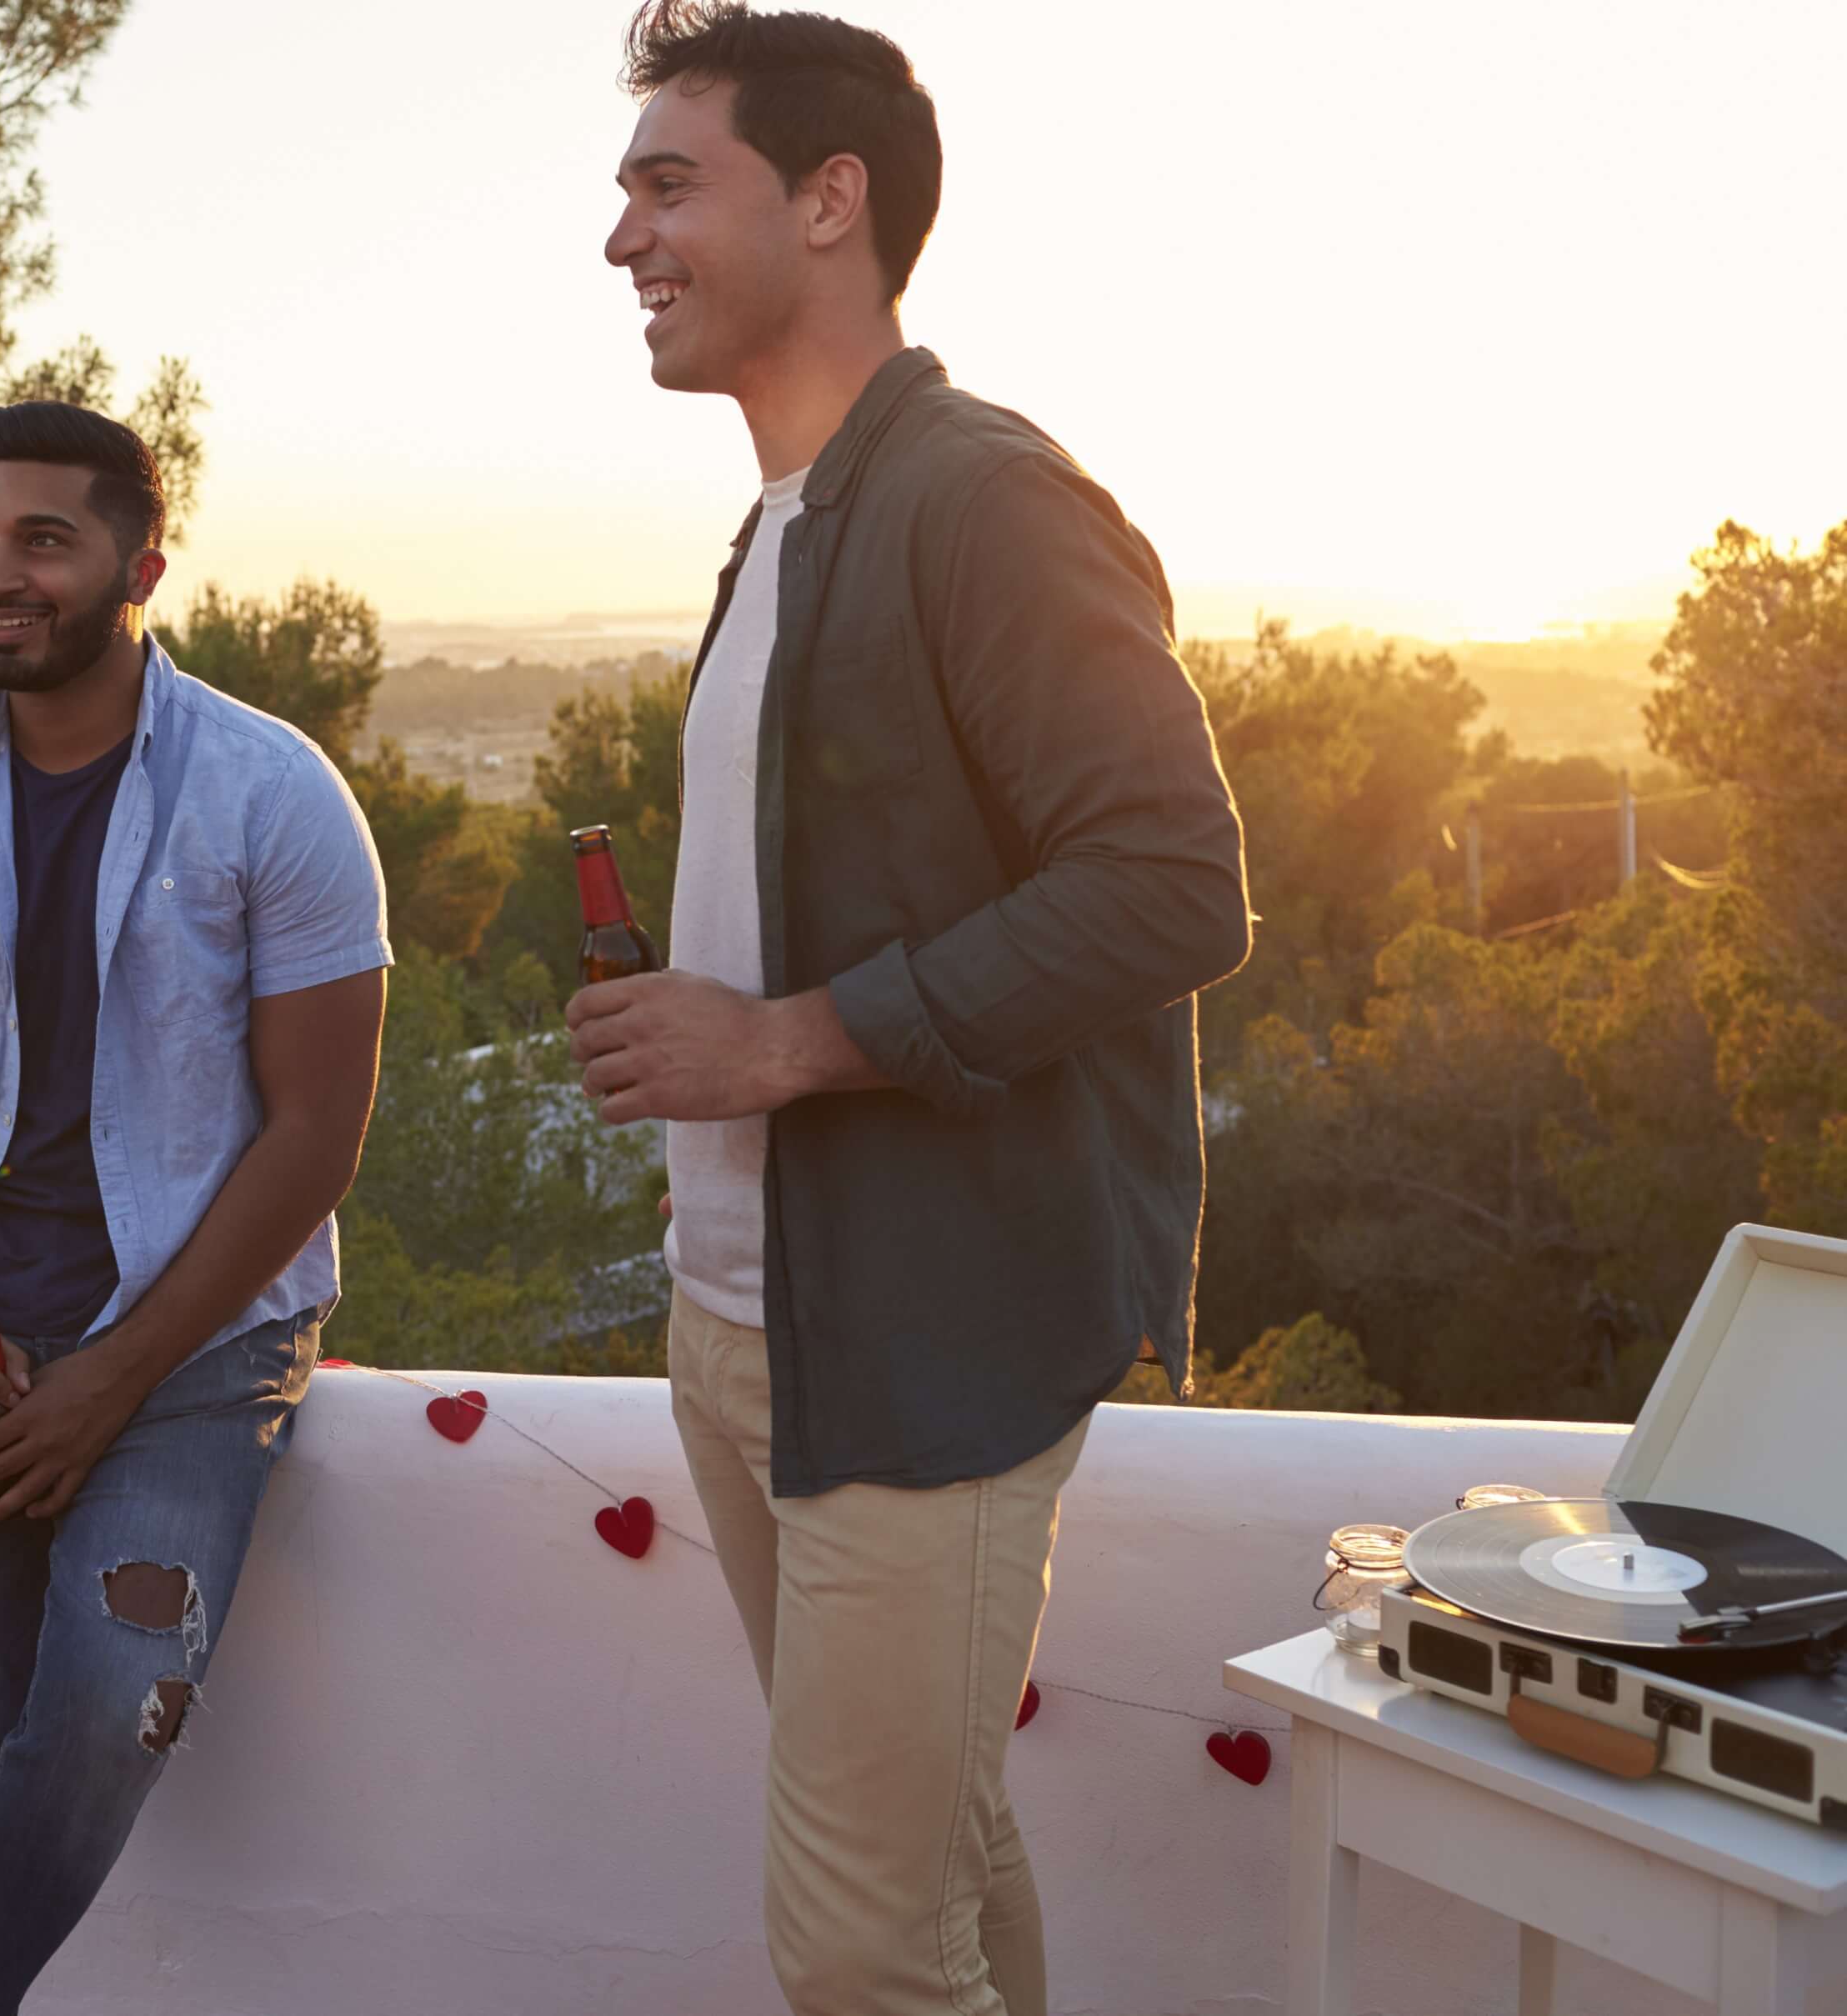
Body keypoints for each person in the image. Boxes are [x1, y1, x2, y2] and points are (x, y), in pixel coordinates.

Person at [571, 8, 1251, 2014]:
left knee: (857, 1950)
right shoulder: (784, 525)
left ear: (830, 199)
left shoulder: (977, 496)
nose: (623, 237)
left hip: (918, 1341)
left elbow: (1167, 881)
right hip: (744, 1325)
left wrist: (781, 1042)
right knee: (934, 1872)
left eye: (665, 181)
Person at [0, 401, 390, 2013]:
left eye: (44, 540)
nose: (1, 574)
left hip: (193, 1353)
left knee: (105, 1711)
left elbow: (315, 1134)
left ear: (139, 564)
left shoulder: (278, 797)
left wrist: (110, 1386)